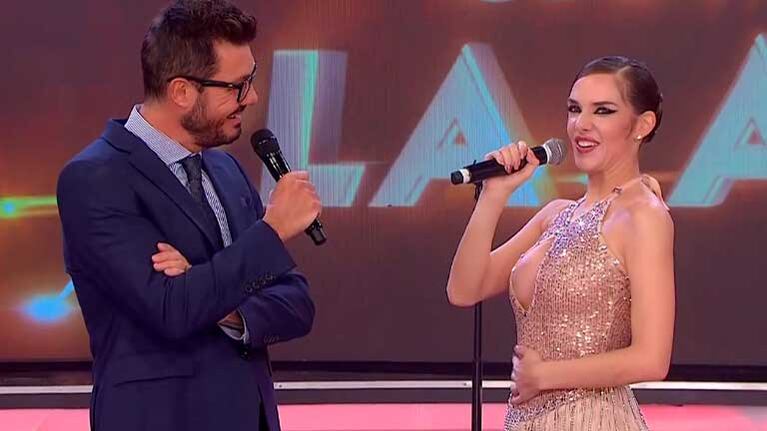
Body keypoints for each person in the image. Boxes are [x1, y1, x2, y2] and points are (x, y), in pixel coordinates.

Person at [56, 1, 320, 430]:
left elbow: (297, 304)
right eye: (237, 86)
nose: (252, 97)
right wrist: (271, 231)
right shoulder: (95, 179)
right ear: (181, 91)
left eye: (250, 81)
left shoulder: (227, 169)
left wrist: (213, 299)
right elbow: (170, 310)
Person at [446, 56, 674, 430]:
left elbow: (652, 358)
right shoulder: (555, 215)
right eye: (574, 109)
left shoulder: (642, 215)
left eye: (603, 111)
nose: (581, 124)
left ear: (642, 125)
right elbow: (463, 289)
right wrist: (494, 195)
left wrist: (545, 376)